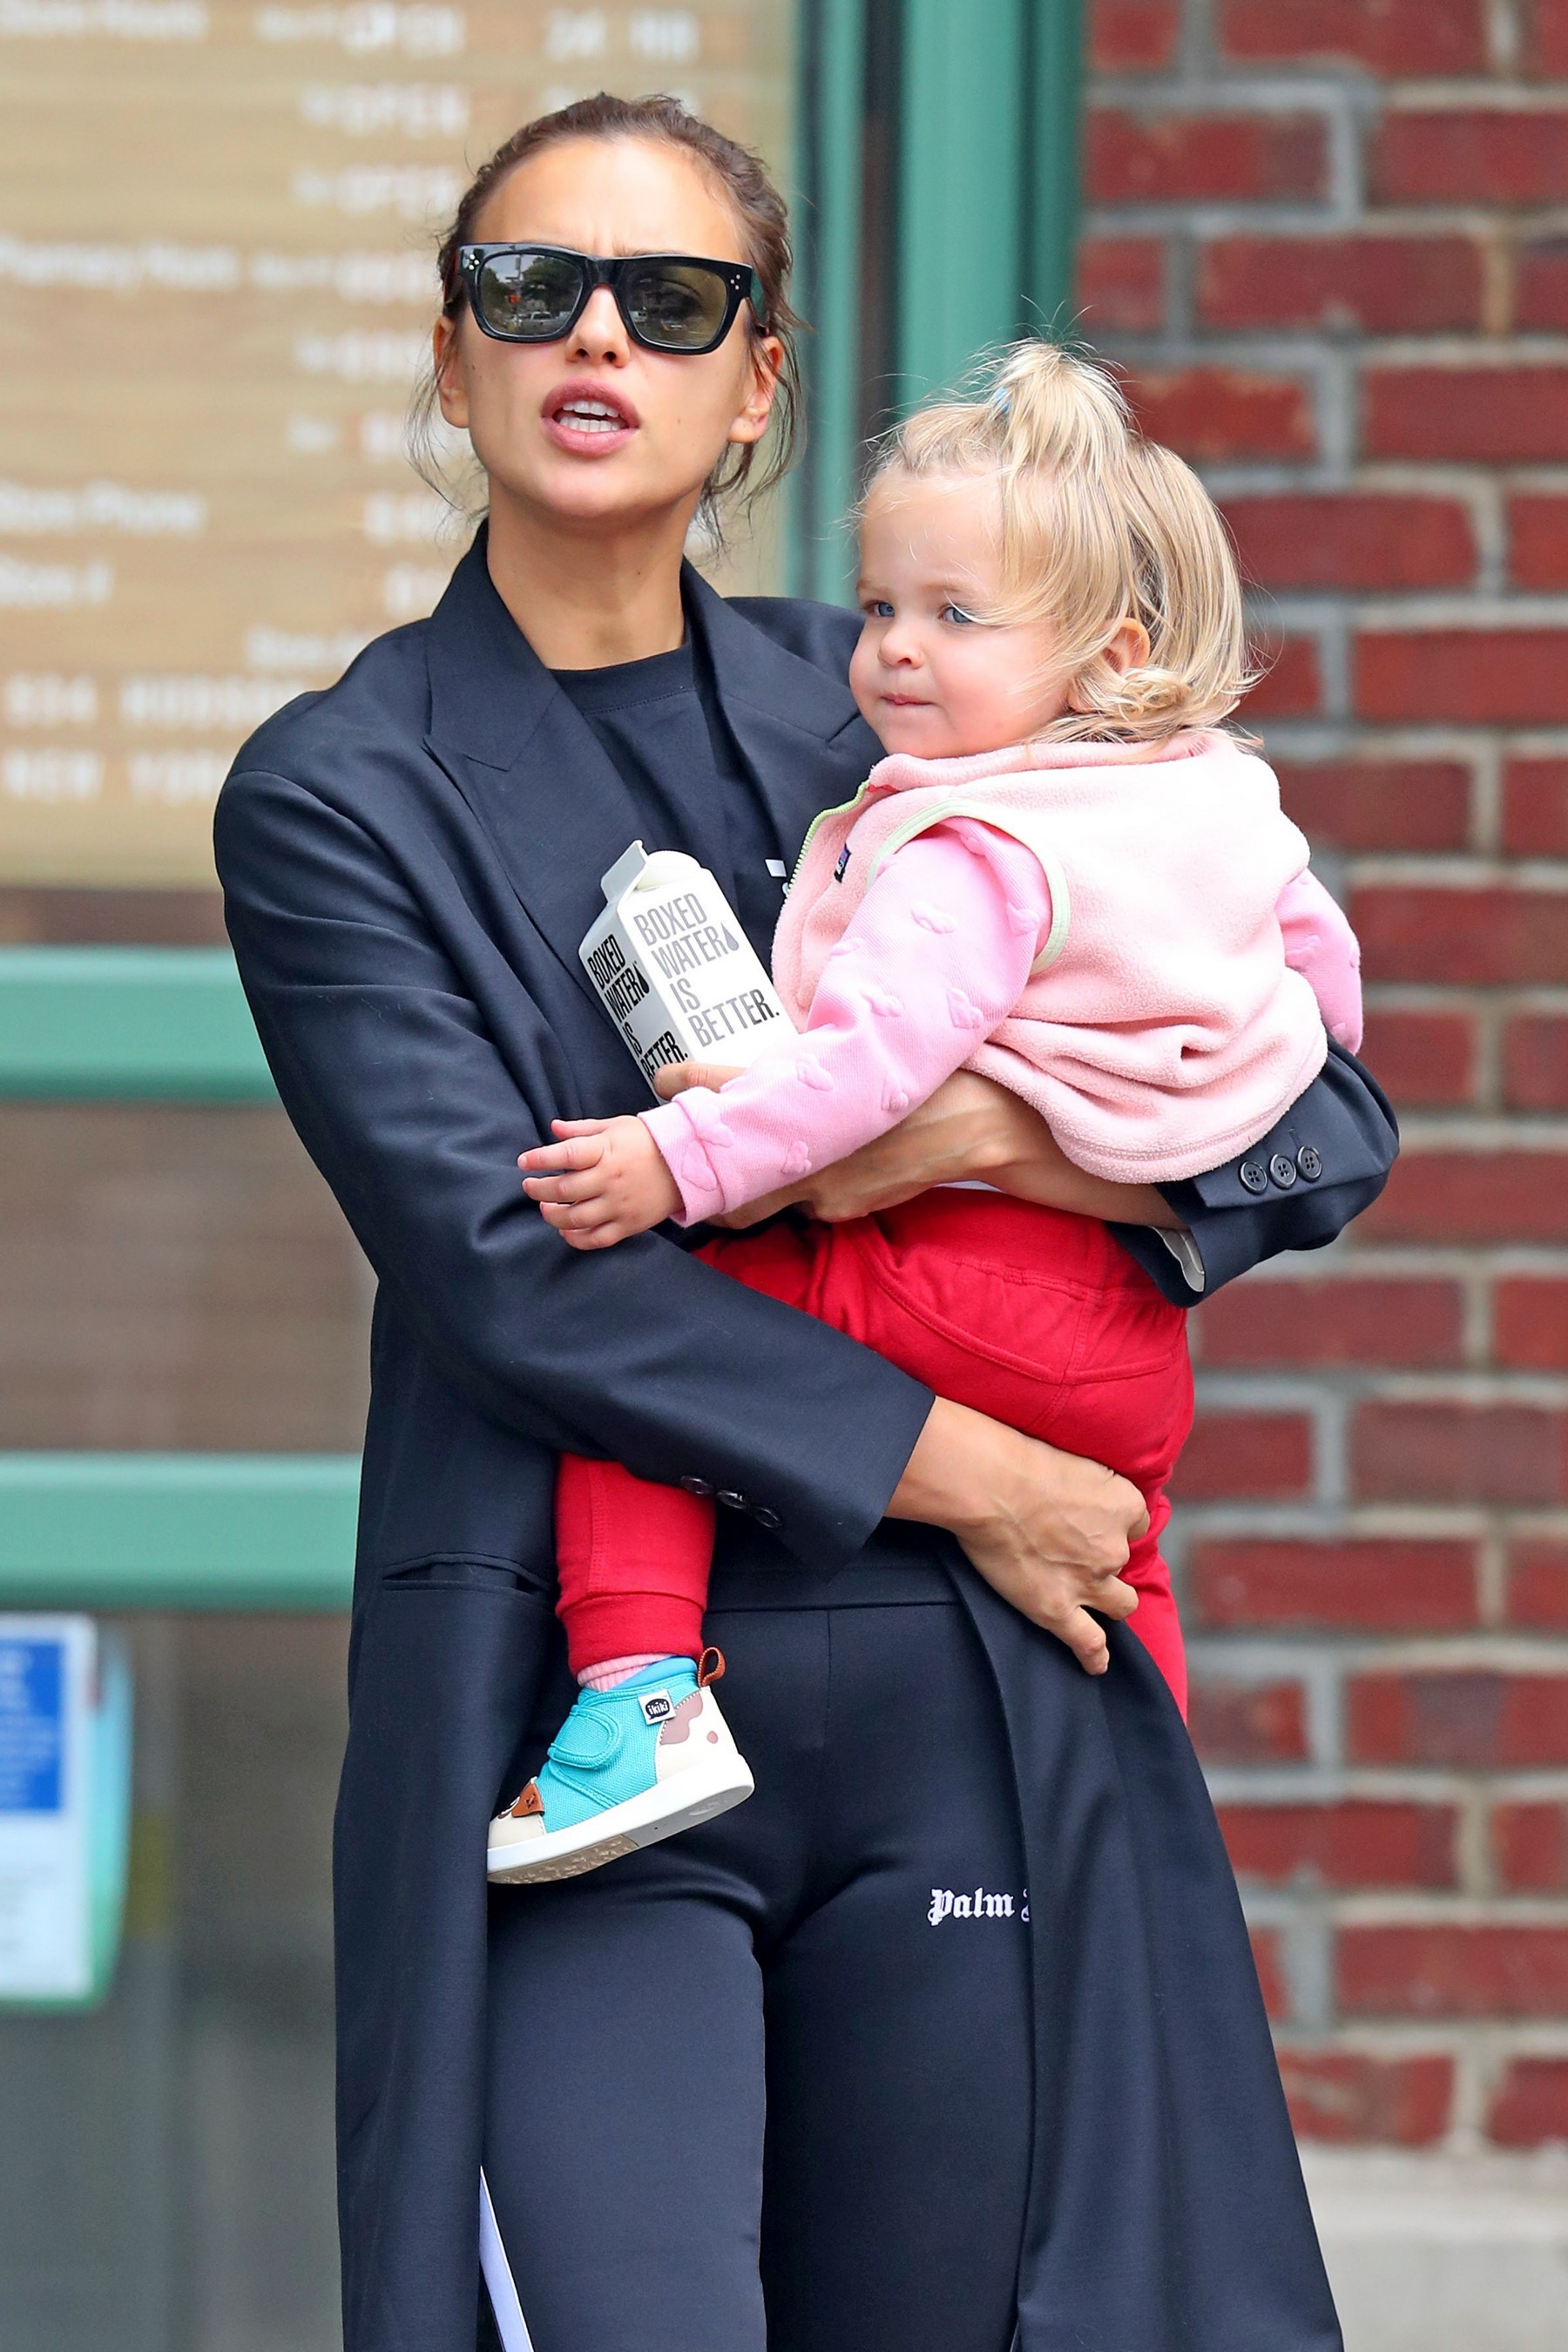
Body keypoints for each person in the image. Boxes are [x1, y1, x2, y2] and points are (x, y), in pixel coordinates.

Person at [215, 92, 1391, 2352]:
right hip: (588, 1704)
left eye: (673, 300)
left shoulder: (917, 686)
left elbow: (1319, 1117)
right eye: (529, 287)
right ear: (451, 354)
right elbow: (506, 1271)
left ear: (757, 381)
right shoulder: (341, 791)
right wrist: (980, 1471)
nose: (596, 337)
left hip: (958, 1694)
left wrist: (976, 1143)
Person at [488, 338, 1364, 1885]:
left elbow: (866, 1074)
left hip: (967, 1292)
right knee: (1127, 1562)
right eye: (881, 606)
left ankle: (634, 1698)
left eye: (955, 617)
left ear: (1105, 651)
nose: (893, 650)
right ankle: (1150, 1821)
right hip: (1129, 1339)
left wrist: (677, 1159)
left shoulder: (970, 846)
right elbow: (1326, 1005)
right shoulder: (1217, 801)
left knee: (658, 1354)